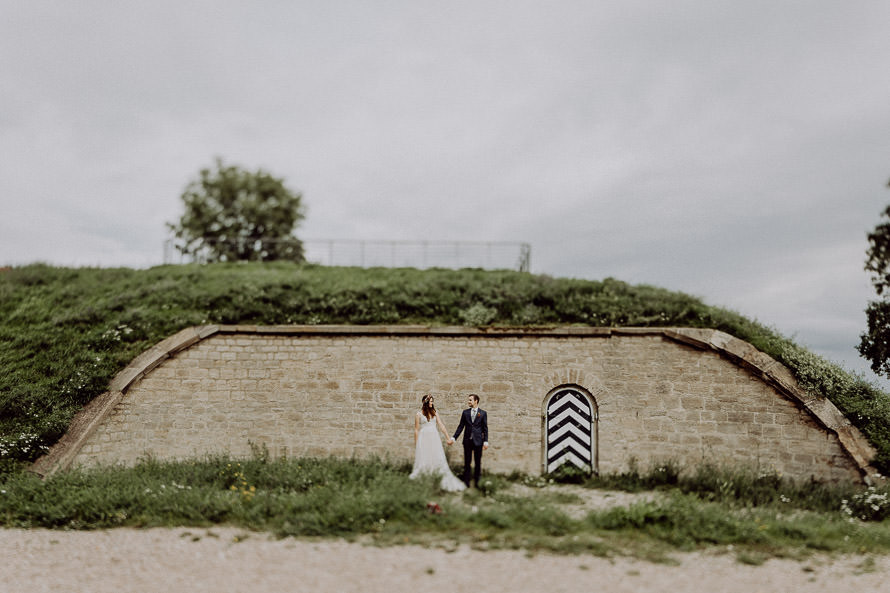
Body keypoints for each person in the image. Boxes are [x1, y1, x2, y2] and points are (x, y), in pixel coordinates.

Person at [409, 394, 466, 492]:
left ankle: (436, 478)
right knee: (424, 457)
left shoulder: (435, 412)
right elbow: (416, 430)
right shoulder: (418, 414)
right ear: (425, 402)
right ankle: (425, 479)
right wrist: (416, 443)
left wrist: (448, 437)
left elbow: (441, 425)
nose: (432, 403)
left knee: (436, 456)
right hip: (424, 438)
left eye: (432, 401)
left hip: (434, 437)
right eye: (430, 401)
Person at [449, 393, 488, 488]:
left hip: (478, 441)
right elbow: (461, 426)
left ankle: (477, 482)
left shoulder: (483, 413)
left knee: (478, 462)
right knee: (467, 462)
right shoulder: (465, 412)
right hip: (467, 441)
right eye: (468, 400)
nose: (468, 401)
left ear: (476, 401)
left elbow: (485, 428)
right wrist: (454, 437)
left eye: (470, 400)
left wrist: (486, 441)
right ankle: (466, 482)